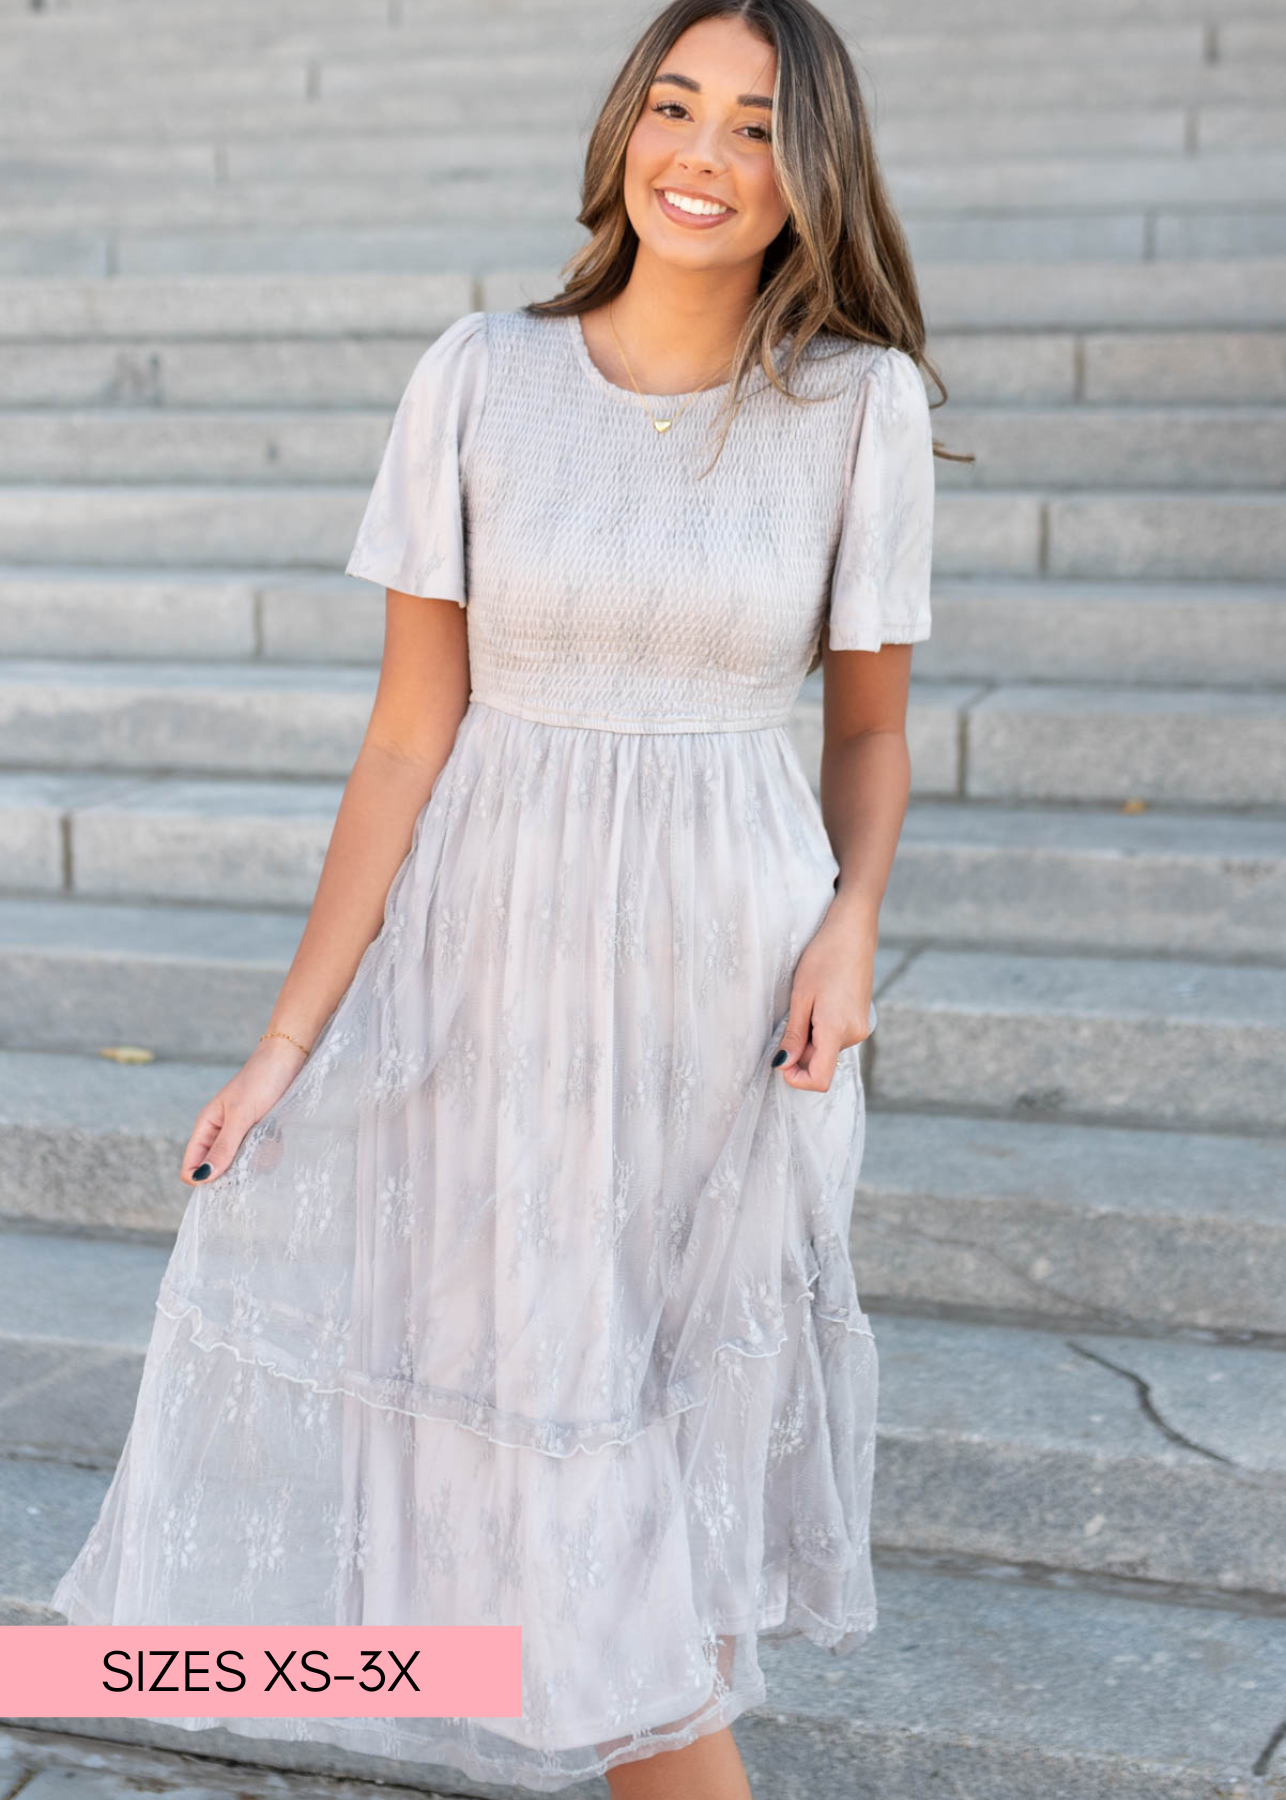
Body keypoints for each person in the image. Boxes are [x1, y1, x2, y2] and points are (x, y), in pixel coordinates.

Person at [49, 1, 945, 1794]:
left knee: (641, 1472)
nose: (702, 156)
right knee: (535, 1458)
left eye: (756, 126)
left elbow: (867, 733)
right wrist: (288, 1036)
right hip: (494, 965)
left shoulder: (860, 405)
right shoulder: (478, 373)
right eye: (673, 107)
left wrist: (853, 923)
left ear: (811, 172)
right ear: (625, 129)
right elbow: (404, 736)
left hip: (726, 985)